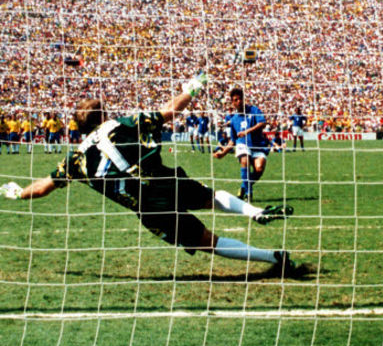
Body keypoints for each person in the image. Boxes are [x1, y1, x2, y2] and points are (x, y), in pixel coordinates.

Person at [0, 73, 301, 277]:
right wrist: (191, 89)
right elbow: (168, 111)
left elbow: (42, 189)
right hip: (162, 178)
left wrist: (17, 192)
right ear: (103, 116)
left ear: (79, 128)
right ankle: (254, 211)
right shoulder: (120, 124)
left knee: (206, 240)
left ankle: (271, 257)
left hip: (147, 206)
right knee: (211, 198)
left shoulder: (76, 159)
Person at [214, 87, 270, 202]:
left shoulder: (254, 110)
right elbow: (233, 140)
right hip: (242, 145)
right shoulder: (234, 119)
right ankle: (249, 194)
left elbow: (263, 123)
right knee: (245, 160)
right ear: (232, 102)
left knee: (259, 169)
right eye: (236, 100)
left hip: (257, 145)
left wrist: (247, 131)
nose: (239, 101)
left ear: (244, 99)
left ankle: (244, 188)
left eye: (240, 99)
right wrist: (223, 153)